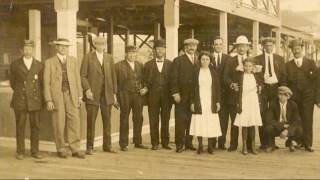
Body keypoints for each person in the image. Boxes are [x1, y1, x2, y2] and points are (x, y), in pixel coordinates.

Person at [43, 38, 85, 159]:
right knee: (59, 122)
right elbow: (46, 83)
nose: (63, 49)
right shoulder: (49, 62)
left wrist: (79, 96)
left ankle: (75, 149)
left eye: (66, 47)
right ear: (56, 47)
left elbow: (77, 79)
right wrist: (49, 100)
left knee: (74, 121)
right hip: (57, 96)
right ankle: (61, 148)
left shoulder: (73, 60)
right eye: (61, 46)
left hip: (71, 95)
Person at [80, 36, 118, 155]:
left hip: (107, 95)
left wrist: (114, 94)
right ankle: (89, 147)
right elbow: (83, 76)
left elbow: (113, 77)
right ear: (94, 45)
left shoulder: (109, 58)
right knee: (91, 121)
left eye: (103, 44)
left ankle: (107, 146)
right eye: (99, 44)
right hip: (92, 95)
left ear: (105, 45)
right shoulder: (88, 57)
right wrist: (87, 89)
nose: (101, 46)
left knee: (107, 121)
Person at [9, 40, 44, 160]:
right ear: (21, 51)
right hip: (20, 100)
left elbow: (41, 84)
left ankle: (35, 151)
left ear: (33, 50)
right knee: (20, 126)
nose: (28, 51)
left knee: (35, 126)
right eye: (25, 49)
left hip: (35, 101)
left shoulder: (39, 65)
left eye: (30, 49)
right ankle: (20, 151)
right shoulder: (15, 64)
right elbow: (13, 83)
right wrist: (22, 92)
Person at [254, 37, 287, 150]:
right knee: (262, 114)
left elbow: (283, 75)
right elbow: (257, 76)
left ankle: (272, 143)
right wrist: (260, 87)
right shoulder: (257, 59)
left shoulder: (280, 59)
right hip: (263, 89)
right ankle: (264, 143)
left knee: (273, 114)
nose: (268, 47)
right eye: (266, 45)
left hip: (275, 89)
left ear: (273, 46)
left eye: (270, 45)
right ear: (263, 46)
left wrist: (282, 90)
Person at [285, 39, 318, 152]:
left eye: (298, 48)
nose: (296, 50)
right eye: (294, 49)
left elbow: (317, 82)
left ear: (302, 49)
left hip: (308, 97)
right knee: (294, 120)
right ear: (291, 50)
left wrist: (317, 99)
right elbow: (284, 82)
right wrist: (286, 95)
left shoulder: (311, 63)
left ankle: (307, 143)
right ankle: (294, 142)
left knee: (307, 119)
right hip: (293, 97)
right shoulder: (288, 65)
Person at [115, 45, 148, 151]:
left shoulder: (140, 65)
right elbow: (115, 83)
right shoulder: (118, 66)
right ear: (125, 54)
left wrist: (145, 88)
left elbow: (144, 80)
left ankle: (138, 141)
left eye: (134, 53)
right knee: (124, 118)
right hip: (124, 95)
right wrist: (115, 96)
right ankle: (123, 144)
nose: (132, 55)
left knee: (138, 118)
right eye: (130, 53)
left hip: (138, 95)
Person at [223, 35, 252, 152]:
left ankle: (249, 145)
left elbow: (256, 76)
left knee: (249, 121)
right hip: (234, 96)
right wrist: (231, 84)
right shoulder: (230, 60)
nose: (241, 48)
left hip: (248, 96)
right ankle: (233, 144)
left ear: (247, 47)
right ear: (236, 47)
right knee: (235, 121)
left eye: (244, 46)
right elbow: (225, 76)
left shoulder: (251, 60)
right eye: (239, 46)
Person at [171, 38, 199, 153]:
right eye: (189, 45)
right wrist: (175, 92)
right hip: (181, 96)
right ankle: (179, 144)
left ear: (196, 47)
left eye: (194, 46)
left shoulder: (198, 60)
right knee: (180, 121)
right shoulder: (178, 60)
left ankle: (189, 142)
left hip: (194, 96)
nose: (191, 47)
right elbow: (173, 78)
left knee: (191, 120)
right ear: (185, 47)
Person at [143, 39, 173, 150]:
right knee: (153, 119)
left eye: (162, 49)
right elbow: (144, 80)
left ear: (165, 50)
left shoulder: (170, 64)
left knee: (166, 119)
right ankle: (154, 143)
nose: (160, 51)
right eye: (158, 49)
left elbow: (173, 80)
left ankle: (165, 142)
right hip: (153, 96)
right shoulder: (148, 65)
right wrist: (145, 87)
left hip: (166, 97)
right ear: (155, 50)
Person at [190, 51, 221, 154]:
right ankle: (200, 145)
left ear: (210, 61)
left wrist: (217, 102)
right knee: (200, 122)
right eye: (203, 59)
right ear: (200, 60)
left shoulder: (213, 72)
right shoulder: (195, 72)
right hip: (199, 100)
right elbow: (193, 88)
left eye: (207, 59)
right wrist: (193, 102)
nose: (205, 61)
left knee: (210, 122)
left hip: (210, 100)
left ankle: (210, 146)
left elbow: (217, 88)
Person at [233, 59, 263, 155]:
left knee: (252, 123)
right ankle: (244, 146)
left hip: (253, 101)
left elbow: (261, 85)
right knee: (245, 124)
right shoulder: (240, 76)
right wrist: (238, 102)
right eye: (246, 66)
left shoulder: (256, 76)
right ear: (243, 66)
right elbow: (237, 89)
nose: (248, 68)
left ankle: (253, 146)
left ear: (253, 67)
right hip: (244, 100)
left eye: (250, 66)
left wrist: (260, 87)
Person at [264, 86, 303, 152]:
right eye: (280, 94)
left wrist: (287, 130)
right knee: (268, 128)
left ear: (288, 96)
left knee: (299, 130)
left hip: (288, 126)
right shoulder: (273, 104)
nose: (281, 96)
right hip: (277, 126)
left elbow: (297, 120)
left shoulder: (293, 105)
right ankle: (271, 145)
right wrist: (282, 125)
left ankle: (290, 143)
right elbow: (268, 119)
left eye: (284, 95)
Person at [210, 36, 230, 150]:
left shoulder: (228, 59)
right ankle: (212, 142)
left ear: (223, 45)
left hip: (225, 94)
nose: (218, 46)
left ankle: (221, 142)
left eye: (220, 44)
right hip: (212, 94)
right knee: (213, 118)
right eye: (216, 44)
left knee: (223, 119)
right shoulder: (209, 58)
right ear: (213, 46)